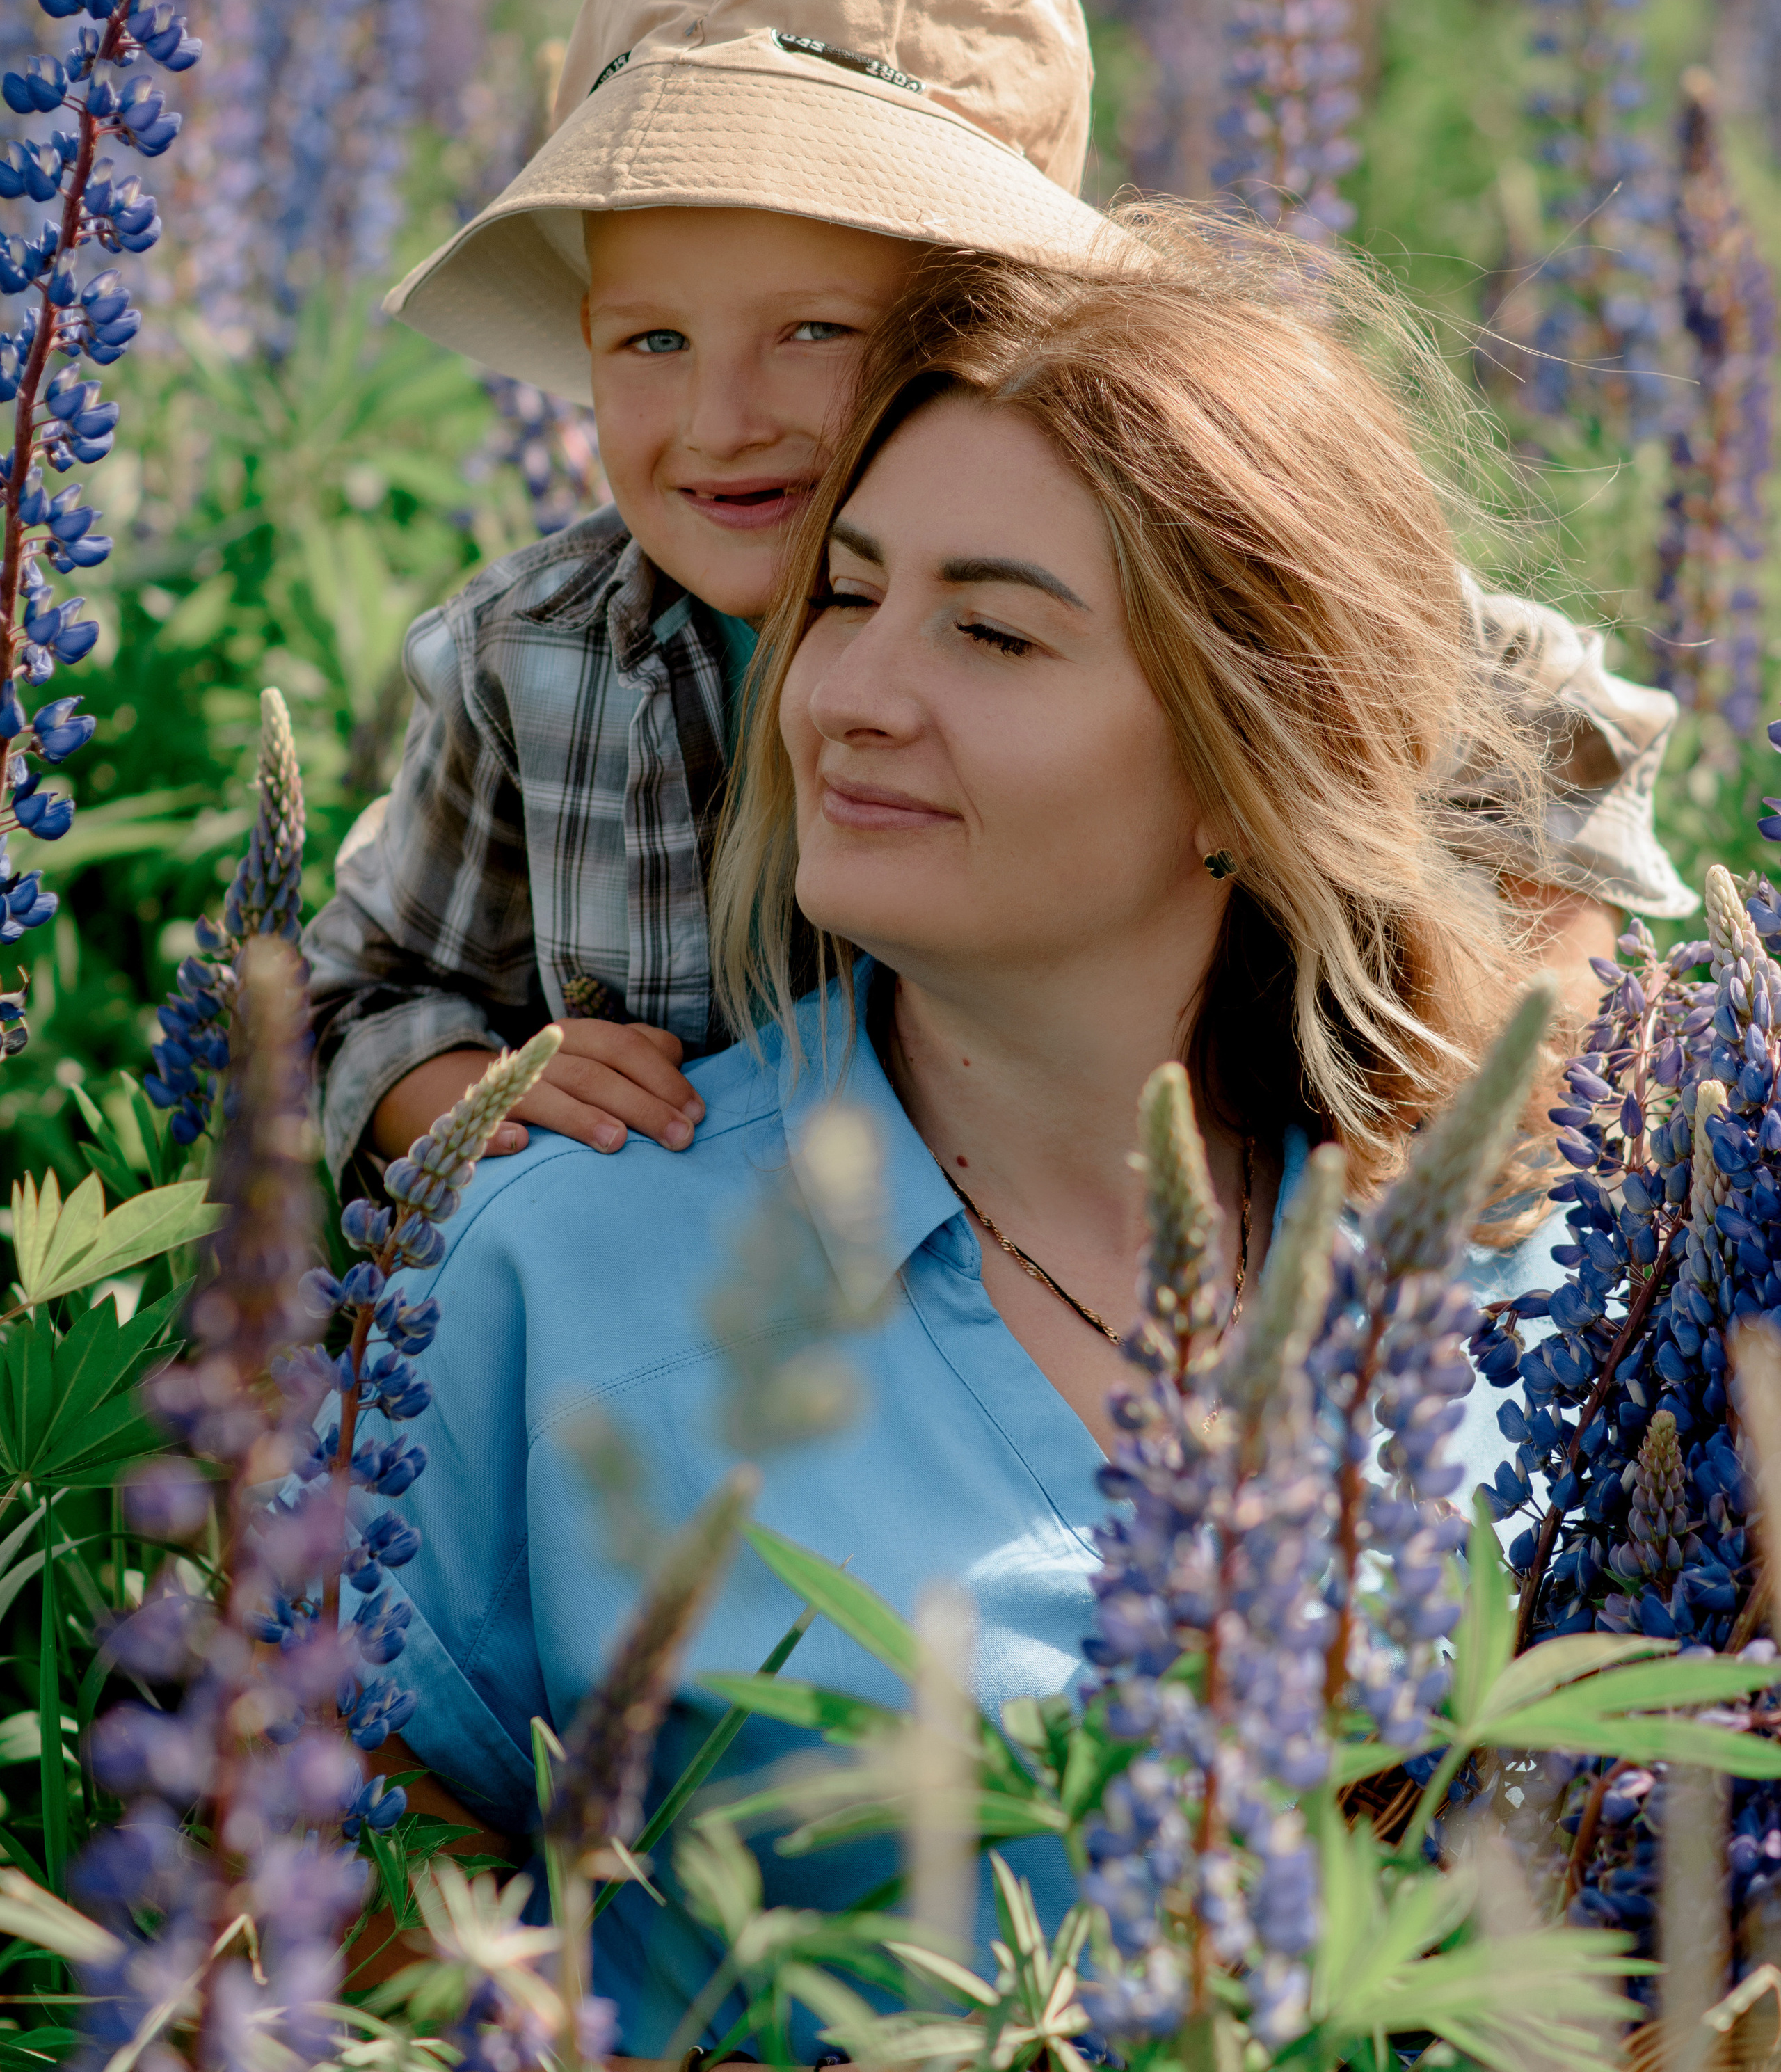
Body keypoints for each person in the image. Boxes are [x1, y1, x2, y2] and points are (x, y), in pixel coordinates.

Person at [358, 234, 1596, 2050]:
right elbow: (361, 1874)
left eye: (995, 631)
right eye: (847, 598)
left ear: (1250, 759)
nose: (855, 690)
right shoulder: (556, 1253)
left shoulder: (1551, 1289)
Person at [303, 0, 1692, 1197]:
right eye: (649, 340)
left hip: (1131, 1272)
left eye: (812, 334)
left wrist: (1521, 1034)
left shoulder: (1149, 550)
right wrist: (471, 1088)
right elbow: (345, 996)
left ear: (978, 336)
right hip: (703, 1340)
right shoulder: (537, 651)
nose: (718, 419)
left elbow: (1552, 718)